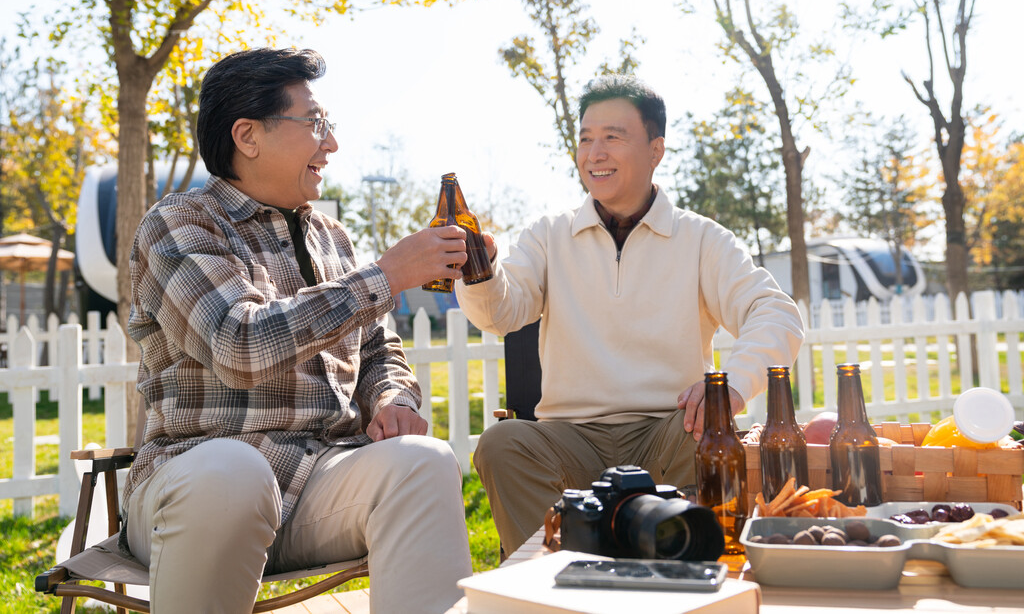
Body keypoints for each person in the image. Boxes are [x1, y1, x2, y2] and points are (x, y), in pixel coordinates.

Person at [121, 47, 473, 613]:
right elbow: (240, 343)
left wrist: (391, 397)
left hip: (317, 481)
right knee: (235, 473)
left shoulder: (333, 237)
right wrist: (387, 275)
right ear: (248, 135)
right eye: (314, 124)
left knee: (425, 461)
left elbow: (380, 349)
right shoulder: (180, 224)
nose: (330, 143)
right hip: (197, 485)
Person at [456, 74, 805, 556]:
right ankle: (543, 590)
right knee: (502, 443)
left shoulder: (701, 239)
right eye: (585, 139)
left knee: (708, 433)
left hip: (670, 430)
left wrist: (733, 387)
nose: (594, 153)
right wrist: (480, 273)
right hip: (570, 436)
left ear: (655, 150)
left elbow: (776, 313)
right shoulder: (548, 235)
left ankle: (678, 580)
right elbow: (502, 312)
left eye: (612, 138)